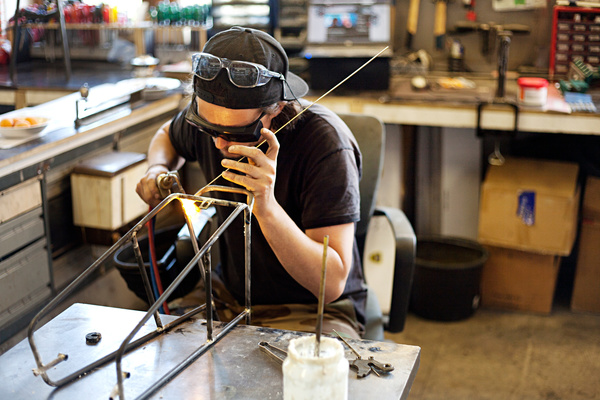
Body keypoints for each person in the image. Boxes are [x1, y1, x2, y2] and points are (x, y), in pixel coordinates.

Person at [136, 26, 367, 338]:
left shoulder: (324, 144)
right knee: (165, 355)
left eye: (234, 135)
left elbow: (331, 283)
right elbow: (168, 135)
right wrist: (156, 168)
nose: (218, 143)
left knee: (310, 381)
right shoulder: (216, 122)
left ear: (276, 109)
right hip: (229, 296)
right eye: (208, 128)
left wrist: (267, 208)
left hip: (311, 308)